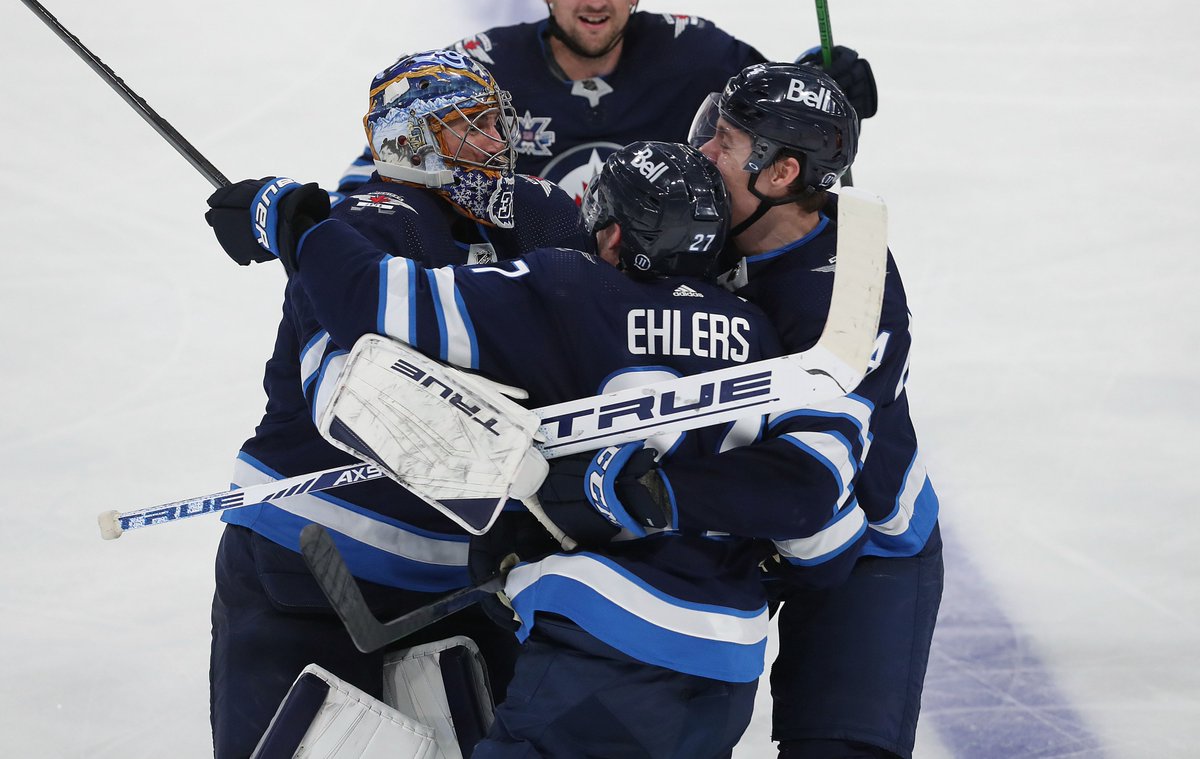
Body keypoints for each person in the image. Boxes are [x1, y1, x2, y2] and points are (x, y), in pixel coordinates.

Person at [209, 139, 874, 758]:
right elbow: (828, 538)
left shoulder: (568, 288)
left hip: (597, 656)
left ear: (612, 233)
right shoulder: (764, 337)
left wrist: (293, 221)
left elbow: (374, 299)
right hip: (726, 679)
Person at [199, 49, 590, 758]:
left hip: (455, 581)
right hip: (311, 567)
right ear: (411, 143)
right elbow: (356, 398)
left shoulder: (539, 215)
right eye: (470, 128)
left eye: (495, 124)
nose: (498, 144)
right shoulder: (377, 223)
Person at [691, 61, 943, 759]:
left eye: (727, 142)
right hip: (747, 522)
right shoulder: (710, 215)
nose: (704, 151)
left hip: (867, 544)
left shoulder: (849, 296)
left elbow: (812, 487)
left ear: (780, 175)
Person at [337, 0, 878, 202]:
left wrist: (826, 83)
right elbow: (382, 169)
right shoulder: (485, 68)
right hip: (519, 293)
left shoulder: (697, 54)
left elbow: (784, 116)